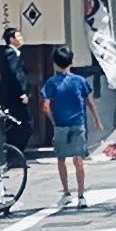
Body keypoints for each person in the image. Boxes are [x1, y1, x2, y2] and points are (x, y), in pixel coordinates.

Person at [41, 45, 98, 209]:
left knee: (61, 159)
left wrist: (53, 121)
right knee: (78, 160)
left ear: (54, 64)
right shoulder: (79, 81)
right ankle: (81, 196)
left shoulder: (51, 83)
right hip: (78, 123)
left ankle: (66, 193)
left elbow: (45, 106)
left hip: (61, 125)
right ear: (71, 63)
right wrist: (97, 120)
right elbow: (89, 102)